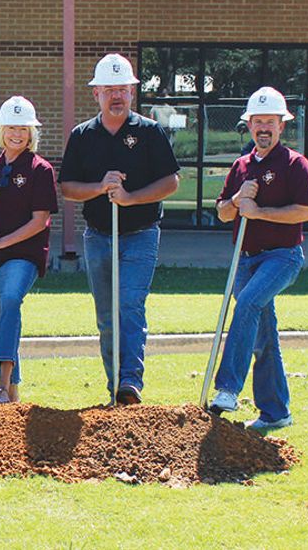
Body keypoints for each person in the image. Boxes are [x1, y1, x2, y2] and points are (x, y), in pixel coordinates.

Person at [59, 53, 180, 405]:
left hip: (141, 234)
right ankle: (115, 384)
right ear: (96, 93)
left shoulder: (150, 132)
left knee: (130, 305)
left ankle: (130, 382)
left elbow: (171, 181)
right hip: (98, 235)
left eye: (123, 90)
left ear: (132, 93)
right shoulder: (82, 136)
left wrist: (130, 198)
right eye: (109, 89)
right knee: (106, 316)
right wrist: (99, 188)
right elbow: (68, 188)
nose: (116, 96)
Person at [209, 86, 308, 434]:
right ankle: (276, 412)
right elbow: (224, 213)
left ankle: (227, 389)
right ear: (250, 125)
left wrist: (259, 212)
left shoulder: (295, 164)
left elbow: (306, 211)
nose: (264, 128)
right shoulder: (240, 166)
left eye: (271, 122)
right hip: (246, 260)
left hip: (282, 258)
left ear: (282, 125)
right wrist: (238, 200)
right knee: (264, 336)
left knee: (248, 304)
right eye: (258, 122)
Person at [0, 96, 59, 403]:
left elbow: (40, 220)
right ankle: (13, 390)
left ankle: (3, 385)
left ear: (32, 133)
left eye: (23, 128)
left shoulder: (40, 169)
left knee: (10, 300)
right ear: (0, 131)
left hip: (22, 252)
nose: (16, 134)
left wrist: (4, 241)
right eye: (10, 128)